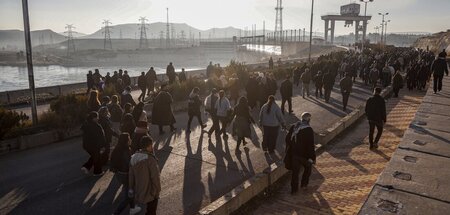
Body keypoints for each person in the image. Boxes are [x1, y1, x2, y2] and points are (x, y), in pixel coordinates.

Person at [110, 133, 141, 215]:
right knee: (128, 196)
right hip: (126, 175)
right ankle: (116, 213)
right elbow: (129, 164)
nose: (130, 140)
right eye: (129, 138)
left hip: (119, 175)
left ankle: (132, 208)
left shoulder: (118, 149)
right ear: (126, 141)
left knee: (129, 190)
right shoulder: (125, 151)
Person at [129, 136, 161, 215]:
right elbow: (155, 177)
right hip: (151, 191)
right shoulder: (150, 159)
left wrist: (131, 188)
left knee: (149, 210)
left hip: (140, 190)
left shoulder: (133, 157)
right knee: (151, 211)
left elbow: (131, 176)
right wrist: (156, 191)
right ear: (149, 146)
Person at [285, 112, 315, 194]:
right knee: (308, 168)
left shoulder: (294, 126)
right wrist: (312, 157)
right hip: (304, 155)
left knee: (295, 172)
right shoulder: (308, 129)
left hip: (294, 154)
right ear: (308, 120)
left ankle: (294, 190)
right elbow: (310, 145)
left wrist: (293, 146)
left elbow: (287, 139)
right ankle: (304, 184)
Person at [81, 111, 106, 176]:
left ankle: (86, 167)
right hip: (95, 145)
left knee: (95, 156)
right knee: (97, 158)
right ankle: (97, 172)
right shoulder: (96, 126)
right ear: (93, 118)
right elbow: (101, 137)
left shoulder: (86, 125)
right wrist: (103, 145)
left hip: (86, 145)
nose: (98, 118)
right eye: (97, 117)